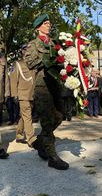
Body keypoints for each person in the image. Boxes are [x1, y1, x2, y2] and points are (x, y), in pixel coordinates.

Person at [24, 14, 69, 170]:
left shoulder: (55, 43)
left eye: (50, 23)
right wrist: (47, 59)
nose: (49, 25)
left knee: (59, 115)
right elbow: (29, 62)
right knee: (47, 120)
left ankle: (40, 142)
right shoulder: (33, 45)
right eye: (46, 23)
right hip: (42, 86)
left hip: (56, 84)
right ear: (38, 27)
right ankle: (52, 157)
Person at [11, 45, 37, 145]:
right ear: (22, 51)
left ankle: (19, 134)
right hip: (23, 94)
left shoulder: (34, 64)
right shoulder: (17, 64)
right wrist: (14, 95)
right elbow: (13, 81)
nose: (28, 52)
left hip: (32, 94)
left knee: (24, 116)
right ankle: (31, 139)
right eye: (26, 50)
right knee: (27, 116)